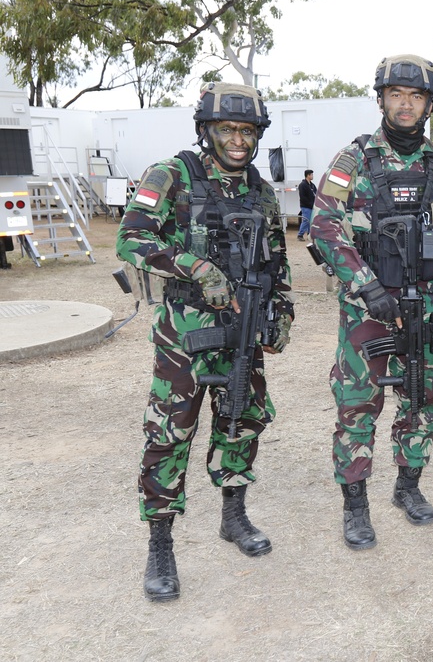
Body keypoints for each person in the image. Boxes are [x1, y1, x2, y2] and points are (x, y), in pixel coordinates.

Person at [116, 82, 294, 601]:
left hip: (245, 330)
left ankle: (233, 517)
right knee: (170, 434)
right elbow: (133, 237)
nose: (238, 140)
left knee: (241, 422)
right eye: (227, 129)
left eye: (247, 131)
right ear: (205, 130)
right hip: (185, 338)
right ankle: (160, 543)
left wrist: (282, 314)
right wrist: (195, 266)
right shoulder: (171, 175)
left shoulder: (260, 189)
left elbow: (276, 260)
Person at [310, 55, 433, 550]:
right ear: (382, 99)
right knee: (358, 403)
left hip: (425, 305)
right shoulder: (356, 158)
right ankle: (356, 505)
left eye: (416, 97)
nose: (405, 105)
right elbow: (323, 226)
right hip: (369, 307)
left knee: (421, 397)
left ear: (429, 105)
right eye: (396, 95)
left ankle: (408, 487)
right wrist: (366, 285)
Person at [297, 169, 316, 241]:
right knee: (306, 220)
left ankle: (309, 234)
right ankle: (300, 234)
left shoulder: (312, 185)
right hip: (306, 206)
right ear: (308, 175)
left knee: (310, 221)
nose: (312, 176)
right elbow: (303, 197)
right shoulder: (302, 185)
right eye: (311, 174)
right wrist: (310, 204)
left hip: (311, 206)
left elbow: (315, 194)